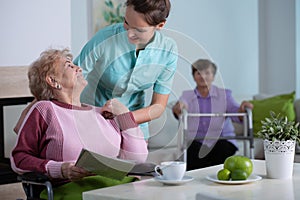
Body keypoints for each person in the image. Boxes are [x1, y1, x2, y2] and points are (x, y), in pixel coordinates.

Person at [11, 48, 148, 199]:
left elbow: (138, 159)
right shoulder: (45, 109)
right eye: (69, 65)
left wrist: (125, 115)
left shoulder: (102, 113)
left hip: (118, 186)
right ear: (53, 81)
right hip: (72, 189)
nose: (79, 68)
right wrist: (60, 169)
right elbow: (19, 158)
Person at [74, 0, 178, 139]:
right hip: (92, 112)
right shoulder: (105, 38)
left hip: (134, 118)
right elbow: (72, 78)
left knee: (136, 159)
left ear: (160, 25)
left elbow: (158, 107)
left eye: (139, 30)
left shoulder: (168, 51)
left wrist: (123, 119)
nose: (129, 34)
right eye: (126, 22)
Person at [172, 59, 253, 170]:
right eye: (198, 73)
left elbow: (237, 113)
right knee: (193, 151)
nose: (203, 76)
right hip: (197, 141)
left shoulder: (225, 95)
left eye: (207, 73)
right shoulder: (187, 95)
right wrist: (179, 107)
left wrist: (243, 108)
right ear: (194, 76)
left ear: (213, 76)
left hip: (222, 140)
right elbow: (182, 105)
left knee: (221, 148)